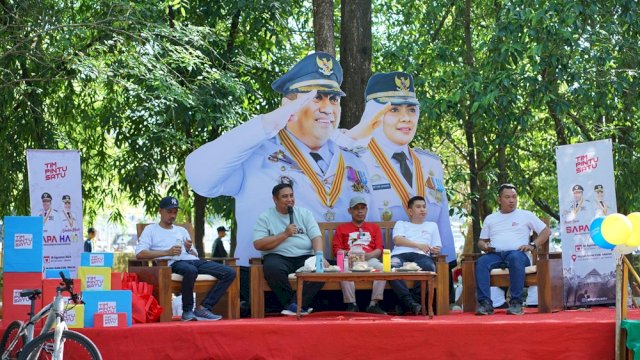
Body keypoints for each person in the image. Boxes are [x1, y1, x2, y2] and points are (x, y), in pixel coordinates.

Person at [185, 52, 373, 267]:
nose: (327, 107)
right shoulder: (254, 153)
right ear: (287, 104)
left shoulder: (353, 159)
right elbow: (200, 177)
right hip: (271, 277)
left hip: (344, 276)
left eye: (334, 98)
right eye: (315, 97)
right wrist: (265, 124)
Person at [135, 196, 236, 321]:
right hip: (172, 263)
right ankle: (187, 311)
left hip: (192, 260)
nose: (172, 215)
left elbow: (194, 254)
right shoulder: (151, 230)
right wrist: (167, 252)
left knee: (229, 272)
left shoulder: (181, 230)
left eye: (175, 212)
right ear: (160, 211)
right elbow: (140, 253)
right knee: (190, 270)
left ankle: (203, 308)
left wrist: (188, 249)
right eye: (169, 212)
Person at [475, 183, 550, 316]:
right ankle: (485, 304)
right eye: (507, 197)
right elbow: (481, 242)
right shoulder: (490, 219)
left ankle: (516, 303)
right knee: (481, 262)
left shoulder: (525, 215)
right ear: (499, 200)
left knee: (515, 258)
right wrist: (484, 247)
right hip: (495, 255)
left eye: (514, 197)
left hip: (518, 255)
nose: (511, 200)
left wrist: (533, 245)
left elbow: (546, 231)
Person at [253, 183, 325, 316]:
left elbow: (316, 237)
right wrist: (285, 234)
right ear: (275, 199)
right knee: (272, 268)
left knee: (322, 268)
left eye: (291, 195)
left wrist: (319, 256)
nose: (290, 199)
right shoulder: (266, 217)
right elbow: (258, 244)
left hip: (304, 256)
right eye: (285, 197)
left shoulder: (304, 213)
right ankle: (294, 305)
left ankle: (294, 306)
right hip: (278, 256)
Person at [332, 196, 387, 314]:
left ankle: (374, 304)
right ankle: (351, 304)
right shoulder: (342, 228)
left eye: (363, 208)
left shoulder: (374, 227)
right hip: (350, 259)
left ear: (367, 210)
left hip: (369, 259)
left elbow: (379, 249)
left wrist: (368, 256)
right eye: (356, 208)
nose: (360, 211)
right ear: (349, 211)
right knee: (343, 269)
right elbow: (337, 250)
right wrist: (350, 253)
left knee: (382, 268)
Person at [388, 195, 441, 315]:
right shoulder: (401, 224)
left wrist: (435, 250)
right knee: (391, 267)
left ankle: (409, 303)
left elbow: (436, 246)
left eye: (424, 207)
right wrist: (419, 245)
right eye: (418, 207)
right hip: (400, 254)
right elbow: (398, 240)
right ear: (410, 211)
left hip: (421, 256)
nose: (422, 209)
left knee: (429, 268)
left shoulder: (432, 225)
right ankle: (411, 304)